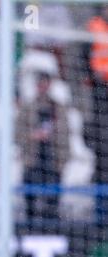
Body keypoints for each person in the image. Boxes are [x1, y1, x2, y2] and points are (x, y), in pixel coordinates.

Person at [16, 71, 70, 221]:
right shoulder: (28, 108)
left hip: (53, 162)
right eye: (40, 83)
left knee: (52, 204)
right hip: (32, 162)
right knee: (30, 203)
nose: (43, 87)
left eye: (45, 83)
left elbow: (66, 135)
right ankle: (31, 229)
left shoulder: (58, 108)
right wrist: (32, 136)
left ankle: (51, 231)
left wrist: (63, 159)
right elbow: (17, 134)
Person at [83, 6, 108, 224]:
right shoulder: (94, 26)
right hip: (100, 90)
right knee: (101, 150)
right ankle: (100, 212)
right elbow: (83, 52)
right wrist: (90, 76)